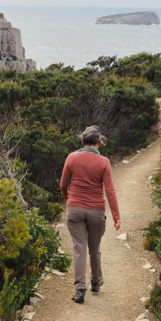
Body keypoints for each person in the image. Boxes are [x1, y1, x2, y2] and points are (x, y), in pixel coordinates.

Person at [60, 125, 121, 304]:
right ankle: (96, 281)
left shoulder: (72, 157)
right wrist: (116, 216)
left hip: (74, 209)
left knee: (79, 248)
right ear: (99, 143)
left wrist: (69, 199)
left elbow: (63, 184)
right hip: (96, 210)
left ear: (82, 141)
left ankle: (80, 289)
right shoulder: (104, 162)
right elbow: (110, 191)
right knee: (94, 247)